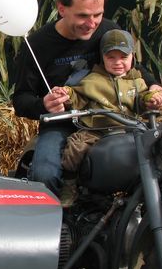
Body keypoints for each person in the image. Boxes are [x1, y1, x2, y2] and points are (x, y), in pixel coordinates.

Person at [12, 0, 162, 197]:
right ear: (61, 8)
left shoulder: (107, 30)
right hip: (62, 125)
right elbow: (21, 99)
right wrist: (43, 105)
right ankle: (61, 225)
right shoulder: (37, 45)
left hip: (110, 120)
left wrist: (154, 87)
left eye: (98, 14)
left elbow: (133, 67)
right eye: (83, 16)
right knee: (44, 174)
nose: (91, 23)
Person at [61, 29, 149, 173]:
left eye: (124, 57)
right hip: (96, 131)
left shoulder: (137, 81)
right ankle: (70, 183)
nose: (118, 62)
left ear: (132, 56)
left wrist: (149, 99)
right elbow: (78, 98)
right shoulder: (92, 80)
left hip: (130, 129)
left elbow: (141, 101)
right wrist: (68, 94)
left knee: (158, 142)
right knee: (75, 148)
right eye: (111, 57)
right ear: (102, 57)